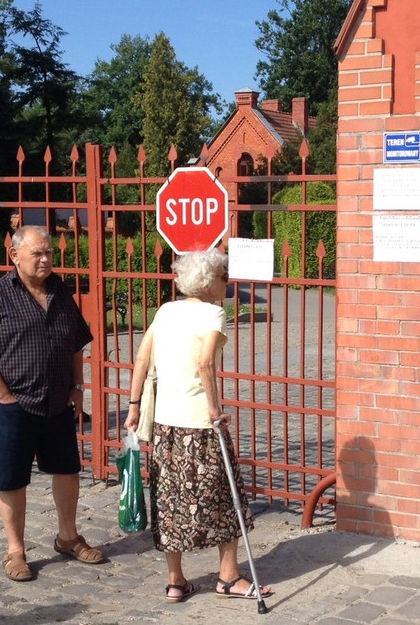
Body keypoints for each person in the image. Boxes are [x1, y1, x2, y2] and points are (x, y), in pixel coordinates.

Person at [123, 249, 274, 604]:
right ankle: (228, 578)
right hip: (200, 425)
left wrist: (132, 407)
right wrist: (214, 408)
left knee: (169, 501)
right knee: (224, 497)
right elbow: (206, 363)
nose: (227, 282)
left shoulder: (166, 311)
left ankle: (175, 581)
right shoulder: (214, 313)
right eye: (224, 276)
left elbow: (143, 357)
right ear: (208, 282)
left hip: (165, 425)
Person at [0, 225, 106, 582]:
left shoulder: (59, 290)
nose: (45, 260)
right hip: (15, 406)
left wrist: (76, 386)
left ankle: (68, 536)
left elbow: (75, 341)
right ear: (15, 256)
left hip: (57, 402)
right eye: (37, 254)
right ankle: (15, 551)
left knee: (67, 470)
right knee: (12, 481)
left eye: (49, 254)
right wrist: (4, 398)